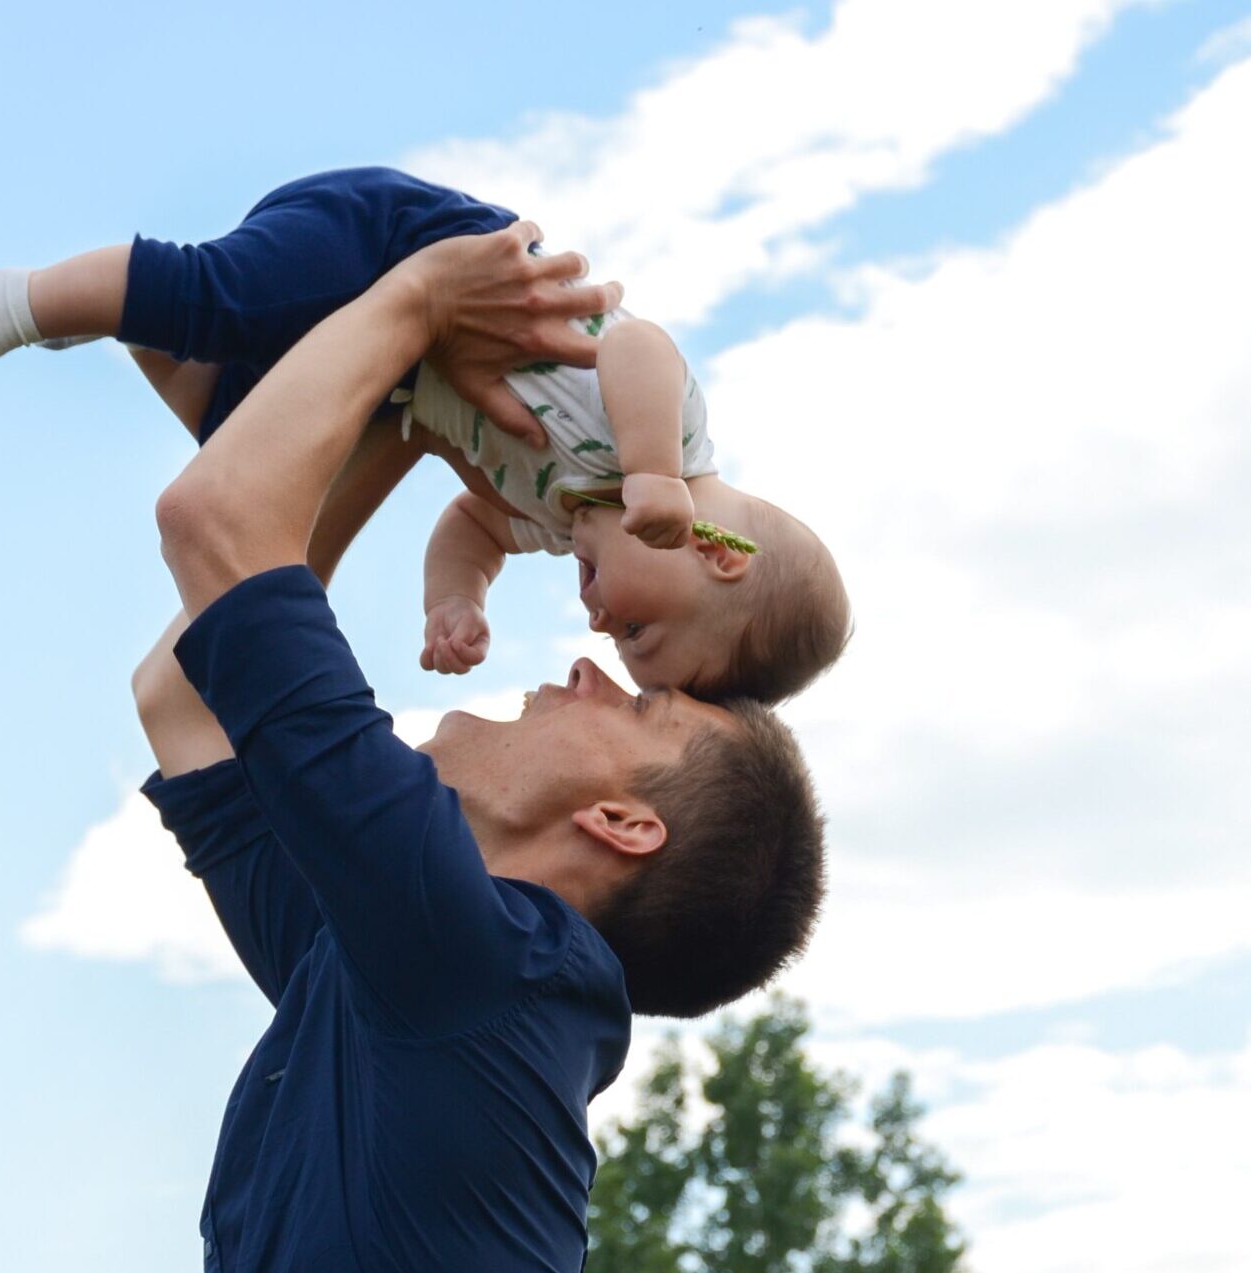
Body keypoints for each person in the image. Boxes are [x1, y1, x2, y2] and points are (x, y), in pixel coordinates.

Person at [131, 222, 827, 1270]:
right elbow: (186, 693)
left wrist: (423, 302)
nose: (590, 667)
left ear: (623, 823)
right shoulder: (410, 968)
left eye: (641, 708)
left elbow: (213, 521)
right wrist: (409, 415)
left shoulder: (483, 963)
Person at [0, 168, 851, 702]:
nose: (600, 623)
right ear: (719, 554)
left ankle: (126, 314)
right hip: (404, 246)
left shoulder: (562, 518)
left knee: (246, 437)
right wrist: (651, 471)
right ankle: (24, 301)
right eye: (638, 629)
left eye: (618, 640)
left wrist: (457, 598)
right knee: (221, 298)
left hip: (397, 363)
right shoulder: (667, 444)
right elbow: (641, 347)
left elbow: (471, 525)